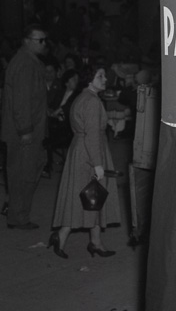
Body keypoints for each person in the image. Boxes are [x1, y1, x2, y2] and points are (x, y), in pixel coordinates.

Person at [48, 67, 120, 259]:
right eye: (100, 76)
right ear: (89, 79)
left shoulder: (81, 97)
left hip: (80, 150)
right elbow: (92, 135)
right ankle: (62, 235)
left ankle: (94, 241)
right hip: (89, 152)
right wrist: (97, 164)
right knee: (87, 196)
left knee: (91, 195)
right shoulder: (92, 102)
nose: (105, 79)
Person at [0, 24, 48, 230]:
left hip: (29, 129)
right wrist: (25, 131)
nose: (44, 44)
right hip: (24, 132)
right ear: (26, 41)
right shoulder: (25, 64)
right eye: (40, 40)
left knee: (28, 169)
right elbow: (21, 101)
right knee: (23, 175)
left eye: (45, 40)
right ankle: (18, 217)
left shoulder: (28, 61)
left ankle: (15, 211)